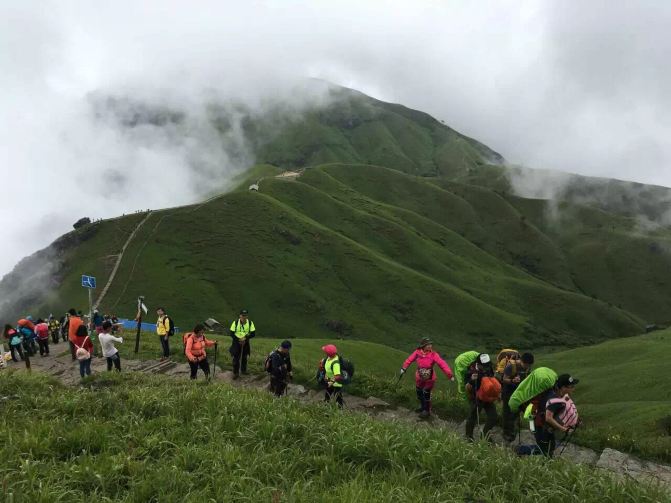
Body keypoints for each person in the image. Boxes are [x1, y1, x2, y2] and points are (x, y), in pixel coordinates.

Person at [400, 337, 454, 418]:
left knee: (426, 393)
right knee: (419, 392)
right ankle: (422, 407)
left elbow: (442, 364)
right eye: (427, 345)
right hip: (419, 376)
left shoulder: (434, 354)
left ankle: (427, 410)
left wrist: (449, 375)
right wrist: (404, 368)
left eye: (430, 344)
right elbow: (409, 359)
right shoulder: (417, 352)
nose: (430, 346)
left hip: (430, 378)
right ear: (423, 346)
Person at [533, 374, 579, 457]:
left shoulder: (561, 395)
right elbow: (548, 418)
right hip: (541, 427)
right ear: (563, 388)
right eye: (571, 387)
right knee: (545, 450)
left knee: (549, 448)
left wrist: (576, 419)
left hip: (548, 428)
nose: (573, 389)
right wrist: (564, 429)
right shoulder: (553, 399)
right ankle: (520, 450)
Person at [464, 353, 498, 441]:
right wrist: (472, 380)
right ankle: (469, 437)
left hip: (487, 395)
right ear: (478, 364)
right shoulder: (471, 370)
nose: (486, 367)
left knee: (493, 416)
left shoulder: (488, 367)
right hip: (475, 396)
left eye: (487, 365)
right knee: (473, 416)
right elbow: (466, 385)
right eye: (484, 365)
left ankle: (485, 436)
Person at [502, 352, 534, 441]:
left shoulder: (528, 368)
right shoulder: (511, 366)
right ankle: (506, 433)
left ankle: (528, 429)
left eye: (529, 365)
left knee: (522, 411)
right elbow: (504, 379)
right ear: (521, 361)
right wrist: (512, 380)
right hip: (508, 392)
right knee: (508, 413)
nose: (527, 367)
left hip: (520, 393)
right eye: (526, 364)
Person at [228, 309, 256, 379]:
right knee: (236, 358)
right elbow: (231, 333)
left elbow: (253, 334)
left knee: (244, 357)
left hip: (245, 342)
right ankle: (235, 373)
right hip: (236, 342)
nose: (244, 317)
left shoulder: (250, 323)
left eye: (245, 315)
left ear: (247, 316)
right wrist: (239, 340)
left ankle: (243, 370)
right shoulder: (235, 322)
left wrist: (245, 338)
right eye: (242, 315)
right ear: (240, 316)